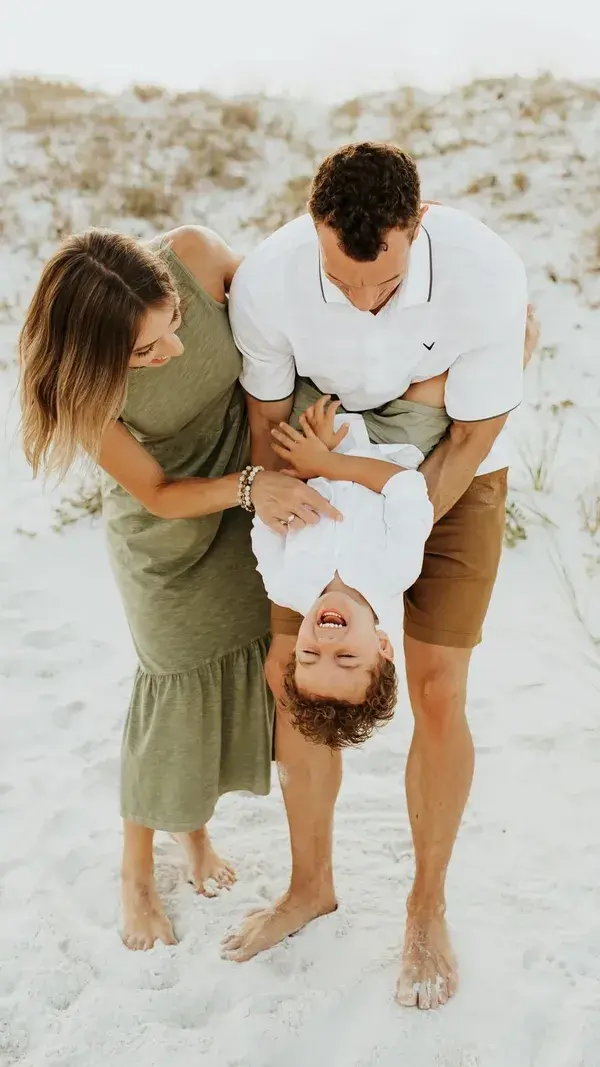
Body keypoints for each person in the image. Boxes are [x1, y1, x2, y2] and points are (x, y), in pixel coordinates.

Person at [223, 142, 534, 1010]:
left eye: (384, 281)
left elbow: (468, 436)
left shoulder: (483, 272)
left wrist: (386, 540)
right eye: (342, 278)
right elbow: (265, 419)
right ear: (314, 228)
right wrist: (296, 502)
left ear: (418, 225)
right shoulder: (272, 280)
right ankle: (309, 882)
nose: (363, 300)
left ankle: (426, 901)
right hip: (323, 470)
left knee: (437, 688)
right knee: (296, 680)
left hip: (450, 470)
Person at [18, 224, 340, 952]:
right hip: (171, 532)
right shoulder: (74, 390)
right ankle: (136, 869)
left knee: (248, 666)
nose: (175, 353)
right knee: (173, 690)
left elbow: (287, 285)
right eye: (146, 353)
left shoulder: (194, 256)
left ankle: (196, 833)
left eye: (173, 326)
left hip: (257, 495)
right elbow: (158, 491)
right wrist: (252, 486)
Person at [251, 390, 446, 747]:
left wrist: (316, 457)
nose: (326, 641)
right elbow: (405, 486)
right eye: (346, 657)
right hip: (394, 441)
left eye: (310, 655)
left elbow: (269, 509)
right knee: (429, 384)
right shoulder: (398, 570)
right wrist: (327, 464)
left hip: (318, 440)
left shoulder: (281, 583)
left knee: (312, 383)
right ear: (382, 645)